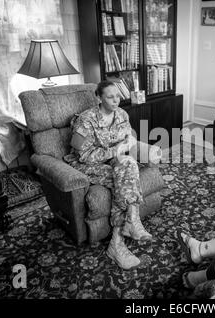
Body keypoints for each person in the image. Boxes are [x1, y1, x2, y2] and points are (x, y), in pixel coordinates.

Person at [64, 81, 151, 270]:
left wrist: (129, 142)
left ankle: (127, 227)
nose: (116, 100)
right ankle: (123, 234)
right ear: (99, 97)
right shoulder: (86, 120)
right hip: (84, 165)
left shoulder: (122, 114)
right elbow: (83, 155)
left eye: (118, 96)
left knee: (129, 164)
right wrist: (115, 151)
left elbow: (128, 136)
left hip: (113, 160)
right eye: (110, 97)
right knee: (123, 178)